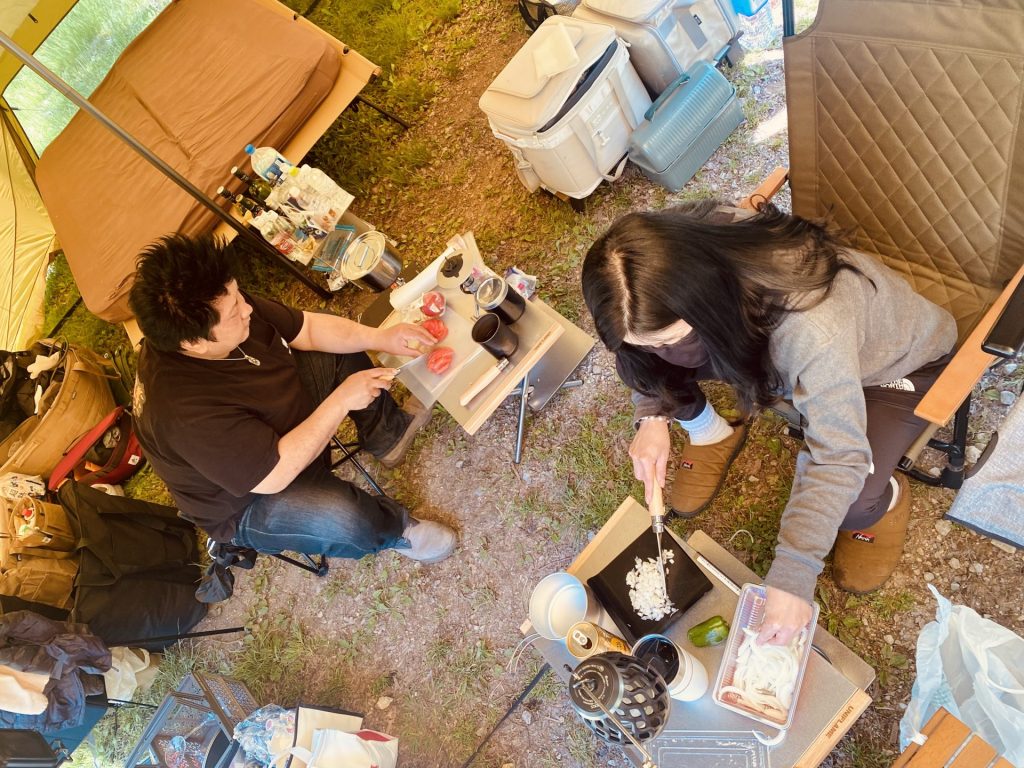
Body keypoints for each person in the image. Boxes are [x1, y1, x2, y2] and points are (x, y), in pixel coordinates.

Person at [581, 201, 956, 644]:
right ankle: (709, 433)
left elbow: (838, 456)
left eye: (669, 338)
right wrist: (652, 416)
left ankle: (887, 498)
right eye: (641, 342)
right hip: (793, 355)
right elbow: (645, 358)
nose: (657, 351)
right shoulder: (668, 248)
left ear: (706, 301)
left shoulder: (810, 326)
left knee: (853, 500)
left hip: (893, 368)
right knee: (659, 364)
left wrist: (794, 572)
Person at [128, 234, 457, 565]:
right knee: (344, 519)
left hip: (270, 414)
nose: (246, 308)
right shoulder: (182, 414)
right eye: (234, 312)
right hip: (250, 496)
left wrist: (380, 338)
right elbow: (275, 473)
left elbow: (308, 328)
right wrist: (341, 400)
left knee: (340, 343)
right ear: (194, 343)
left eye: (239, 294)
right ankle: (396, 530)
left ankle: (388, 434)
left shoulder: (220, 302)